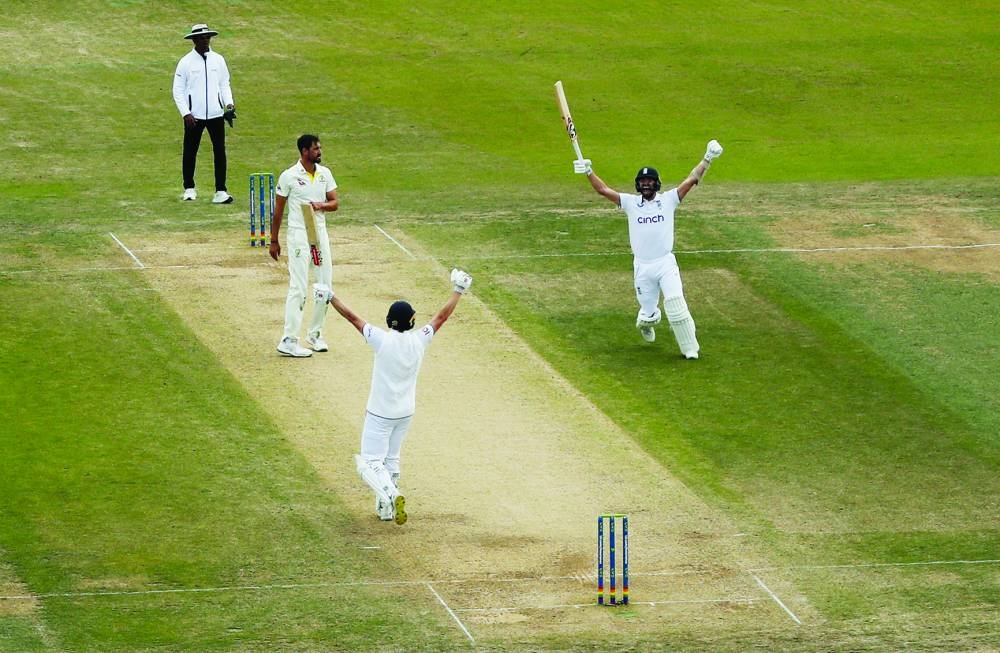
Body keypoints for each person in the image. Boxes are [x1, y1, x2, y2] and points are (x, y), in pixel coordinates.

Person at [312, 268, 473, 524]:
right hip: (405, 412)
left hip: (380, 413)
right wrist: (459, 290)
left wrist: (331, 297)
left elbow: (354, 319)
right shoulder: (419, 340)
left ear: (390, 322)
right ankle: (385, 511)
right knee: (391, 459)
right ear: (410, 322)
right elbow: (441, 317)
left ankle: (391, 493)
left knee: (368, 463)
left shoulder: (381, 340)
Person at [574, 140, 724, 359]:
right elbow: (603, 190)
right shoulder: (630, 203)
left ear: (656, 184)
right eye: (643, 181)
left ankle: (690, 348)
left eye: (650, 181)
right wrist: (588, 171)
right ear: (638, 184)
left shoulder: (669, 200)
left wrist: (708, 158)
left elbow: (692, 179)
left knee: (675, 303)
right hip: (642, 267)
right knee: (649, 314)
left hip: (665, 263)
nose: (646, 185)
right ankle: (646, 320)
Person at [269, 134, 339, 357]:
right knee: (299, 288)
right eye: (315, 149)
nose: (319, 151)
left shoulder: (324, 173)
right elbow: (278, 210)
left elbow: (335, 202)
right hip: (298, 236)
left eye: (320, 148)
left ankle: (314, 335)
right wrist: (274, 240)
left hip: (320, 235)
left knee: (324, 286)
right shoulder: (289, 176)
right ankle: (289, 339)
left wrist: (322, 205)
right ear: (304, 151)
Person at [172, 23, 236, 203]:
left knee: (220, 151)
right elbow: (177, 90)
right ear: (194, 40)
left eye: (207, 37)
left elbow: (224, 84)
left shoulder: (218, 60)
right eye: (201, 38)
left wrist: (229, 105)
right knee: (190, 151)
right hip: (194, 116)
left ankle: (221, 191)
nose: (205, 40)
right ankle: (189, 188)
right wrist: (186, 113)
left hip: (216, 114)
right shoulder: (185, 62)